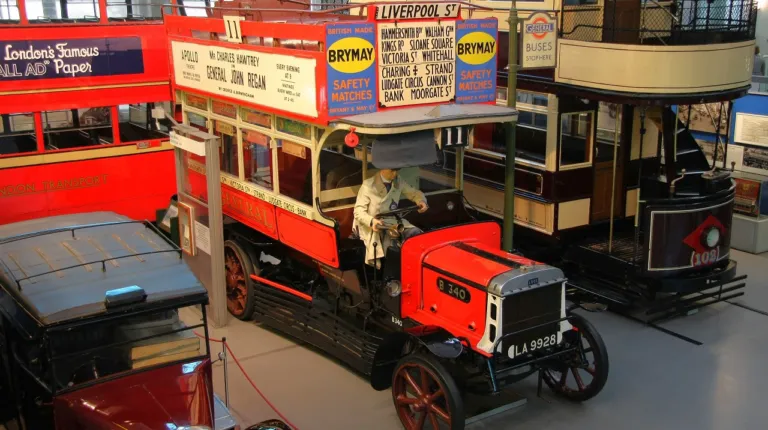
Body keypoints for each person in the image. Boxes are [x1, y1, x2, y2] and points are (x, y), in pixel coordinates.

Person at [353, 168, 428, 267]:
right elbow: (358, 211)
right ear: (383, 169)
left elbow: (413, 193)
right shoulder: (368, 185)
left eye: (397, 170)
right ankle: (392, 272)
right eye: (392, 171)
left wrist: (421, 201)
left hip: (392, 220)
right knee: (391, 243)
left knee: (415, 233)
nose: (395, 174)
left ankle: (417, 265)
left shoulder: (398, 181)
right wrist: (372, 221)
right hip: (373, 224)